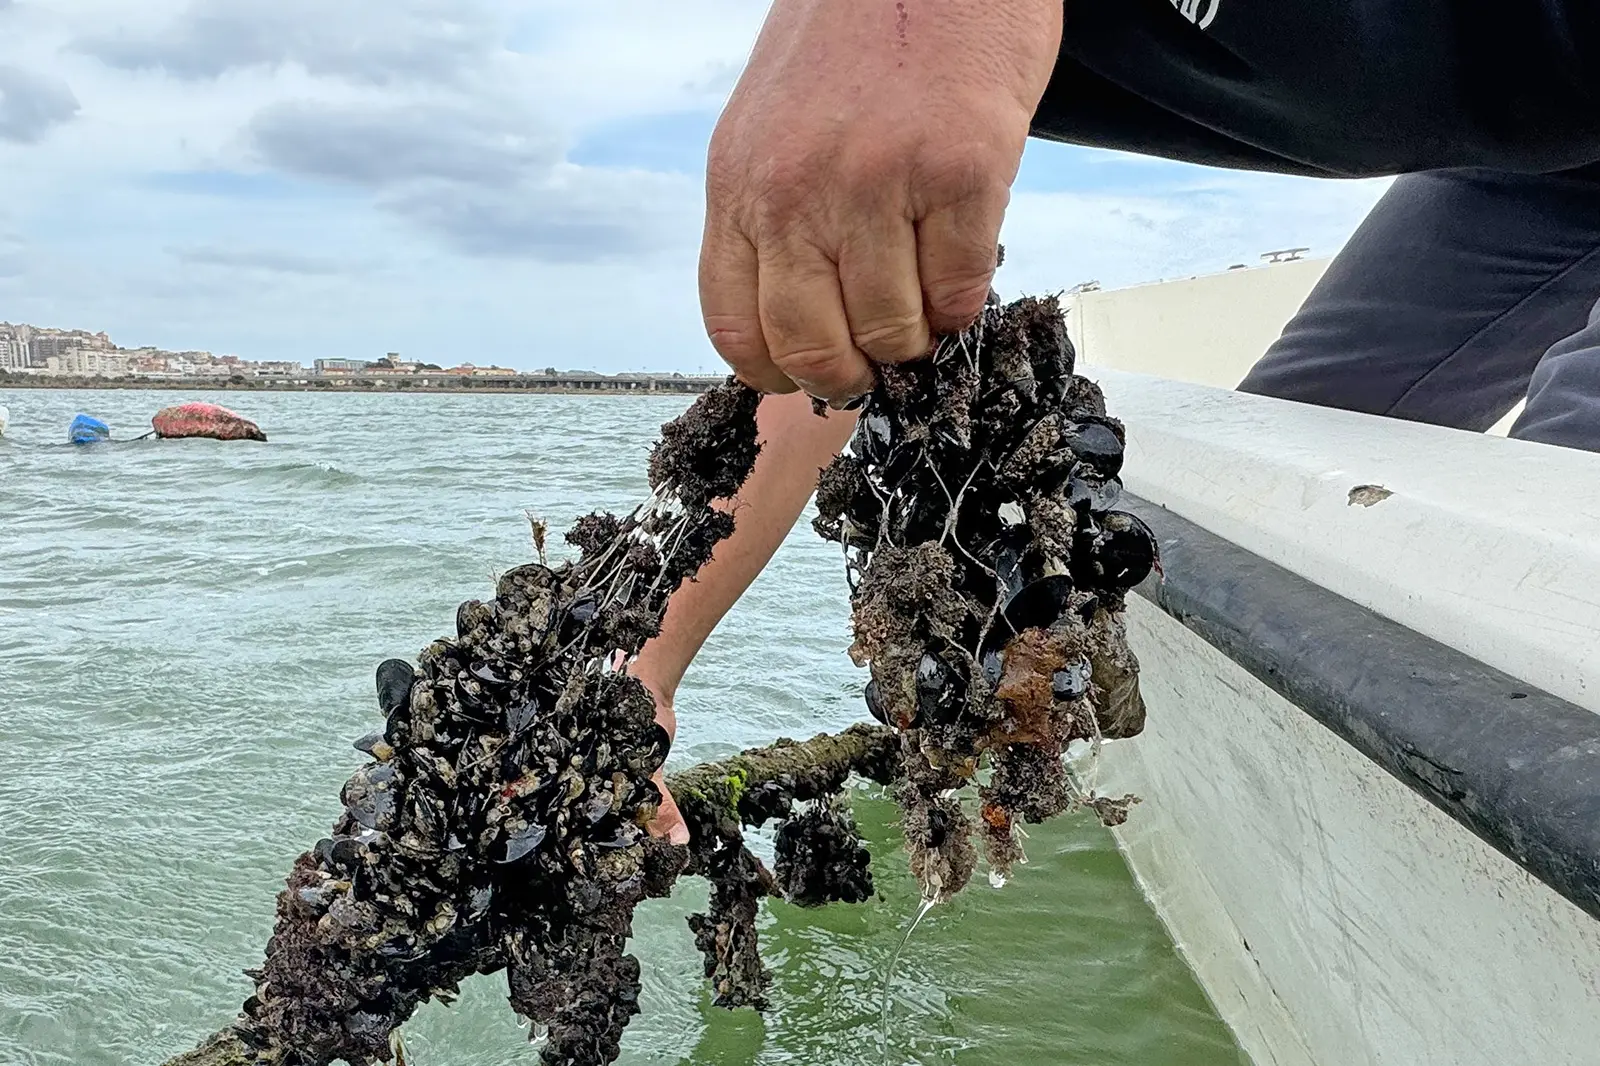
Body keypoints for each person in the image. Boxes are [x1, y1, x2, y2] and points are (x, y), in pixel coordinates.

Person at [635, 0, 1600, 842]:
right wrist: (642, 673)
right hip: (1525, 152)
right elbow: (835, 338)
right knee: (1271, 482)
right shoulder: (907, 56)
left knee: (1559, 552)